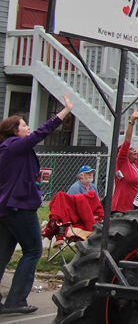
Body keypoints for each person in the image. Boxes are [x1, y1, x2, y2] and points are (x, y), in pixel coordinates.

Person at [0, 93, 75, 315]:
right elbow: (42, 133)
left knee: (3, 253)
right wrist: (64, 112)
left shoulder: (7, 150)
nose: (28, 127)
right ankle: (16, 300)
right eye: (24, 125)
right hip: (19, 207)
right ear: (15, 131)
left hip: (6, 208)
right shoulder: (14, 146)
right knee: (32, 250)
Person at [111, 109, 138, 214]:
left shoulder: (136, 163)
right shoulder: (122, 162)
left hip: (135, 209)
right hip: (120, 210)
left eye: (134, 149)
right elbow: (127, 141)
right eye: (131, 149)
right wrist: (132, 121)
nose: (134, 150)